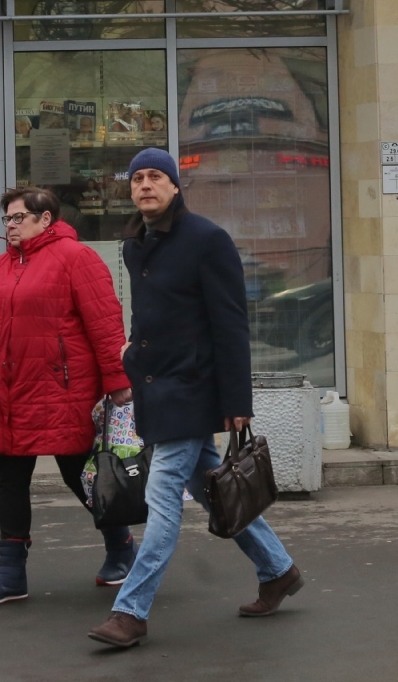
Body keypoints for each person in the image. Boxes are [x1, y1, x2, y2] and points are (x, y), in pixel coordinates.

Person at [87, 148, 301, 650]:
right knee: (212, 489)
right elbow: (152, 316)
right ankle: (278, 570)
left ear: (175, 186)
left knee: (162, 499)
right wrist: (131, 353)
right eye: (137, 178)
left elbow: (229, 324)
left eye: (155, 177)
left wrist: (237, 398)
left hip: (192, 389)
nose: (145, 185)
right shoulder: (135, 243)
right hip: (155, 389)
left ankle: (131, 611)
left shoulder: (208, 239)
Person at [0, 186, 135, 605]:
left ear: (47, 220)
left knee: (79, 474)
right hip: (7, 393)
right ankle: (10, 575)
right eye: (7, 219)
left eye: (19, 217)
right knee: (10, 481)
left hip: (61, 390)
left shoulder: (76, 258)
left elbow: (105, 323)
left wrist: (118, 383)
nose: (11, 225)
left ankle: (121, 547)